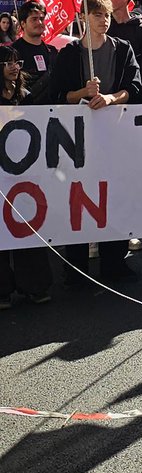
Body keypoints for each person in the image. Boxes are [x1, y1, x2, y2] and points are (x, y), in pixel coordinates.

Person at [50, 0, 142, 285]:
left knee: (113, 195)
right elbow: (57, 95)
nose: (104, 20)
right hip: (76, 139)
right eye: (98, 15)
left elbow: (134, 87)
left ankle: (114, 262)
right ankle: (76, 267)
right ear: (83, 18)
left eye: (107, 15)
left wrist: (111, 98)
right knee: (78, 197)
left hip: (114, 135)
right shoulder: (69, 54)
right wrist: (83, 93)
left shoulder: (122, 49)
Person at [0, 45, 52, 307]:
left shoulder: (25, 96)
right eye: (8, 63)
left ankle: (33, 285)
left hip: (22, 174)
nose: (14, 67)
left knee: (25, 228)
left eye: (17, 62)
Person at [12, 0, 56, 104]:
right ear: (23, 23)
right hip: (22, 109)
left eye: (42, 19)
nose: (39, 23)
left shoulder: (52, 52)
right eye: (34, 19)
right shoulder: (12, 52)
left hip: (52, 109)